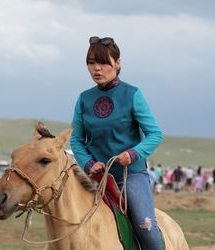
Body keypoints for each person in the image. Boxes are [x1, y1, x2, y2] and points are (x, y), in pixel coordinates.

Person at [70, 36, 164, 250]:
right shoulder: (84, 98)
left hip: (129, 175)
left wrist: (132, 154)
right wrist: (88, 163)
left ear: (118, 63)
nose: (97, 68)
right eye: (91, 63)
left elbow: (155, 134)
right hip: (94, 177)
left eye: (103, 62)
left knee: (146, 228)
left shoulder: (132, 94)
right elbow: (76, 139)